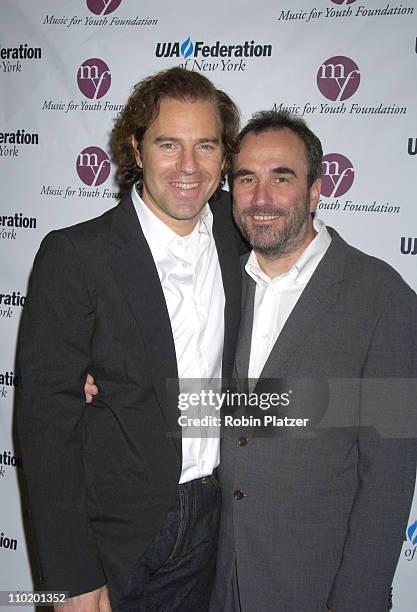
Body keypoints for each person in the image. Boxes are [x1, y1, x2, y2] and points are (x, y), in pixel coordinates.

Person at [16, 67, 244, 612]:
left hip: (219, 520)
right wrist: (69, 577)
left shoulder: (244, 233)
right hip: (118, 535)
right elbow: (45, 426)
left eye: (205, 146)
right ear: (136, 151)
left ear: (224, 155)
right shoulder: (76, 255)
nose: (188, 167)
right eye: (168, 144)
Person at [209, 110, 417, 612]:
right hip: (216, 578)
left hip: (313, 586)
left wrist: (357, 600)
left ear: (316, 189)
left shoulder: (382, 298)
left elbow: (388, 477)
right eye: (246, 179)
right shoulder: (218, 285)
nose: (261, 199)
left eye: (282, 178)